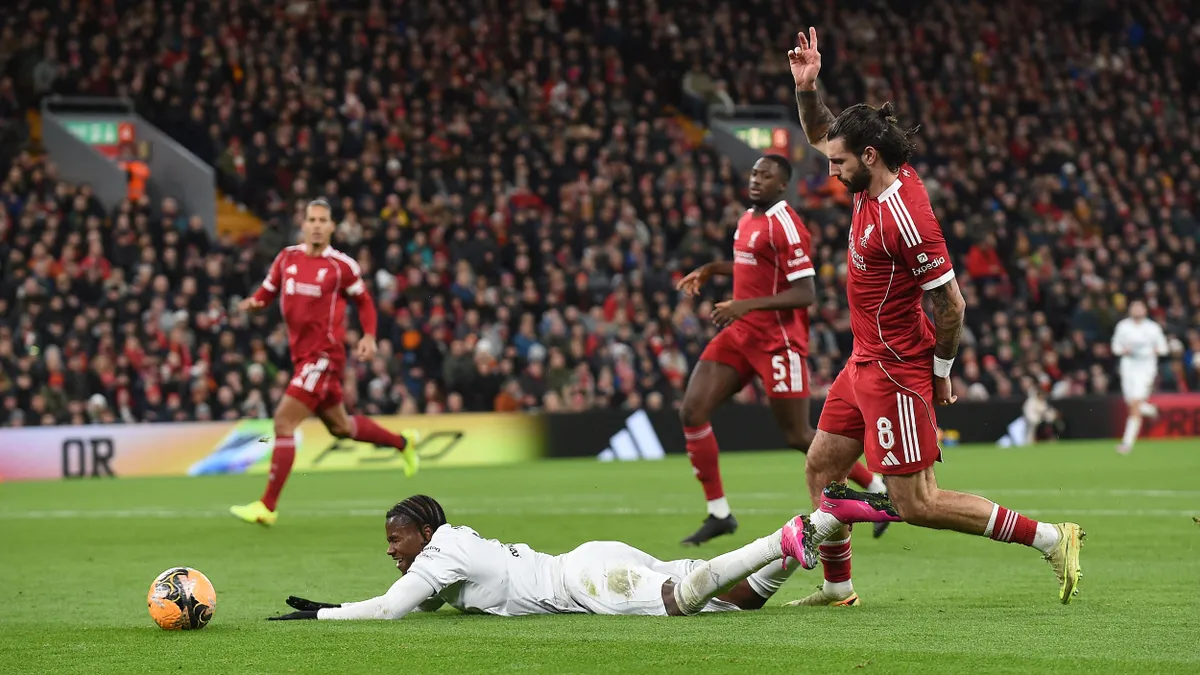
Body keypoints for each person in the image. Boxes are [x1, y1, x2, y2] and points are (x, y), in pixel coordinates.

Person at [777, 27, 1084, 606]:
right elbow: (820, 131)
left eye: (840, 163)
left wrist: (941, 371)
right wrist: (807, 86)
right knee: (821, 466)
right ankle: (838, 588)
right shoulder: (869, 177)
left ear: (869, 157)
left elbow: (952, 304)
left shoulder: (907, 218)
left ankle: (1050, 538)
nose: (831, 170)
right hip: (863, 360)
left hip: (897, 369)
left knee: (917, 502)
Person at [675, 155, 887, 547]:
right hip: (741, 336)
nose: (756, 180)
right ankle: (720, 513)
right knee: (691, 411)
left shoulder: (787, 224)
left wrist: (745, 305)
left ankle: (874, 484)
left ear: (782, 185)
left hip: (779, 342)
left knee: (796, 434)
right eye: (754, 173)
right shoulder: (746, 218)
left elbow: (806, 293)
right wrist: (711, 270)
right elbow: (751, 268)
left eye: (766, 175)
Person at [265, 495, 808, 621]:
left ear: (424, 533)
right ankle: (825, 522)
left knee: (682, 603)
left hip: (587, 584)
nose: (389, 548)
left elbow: (391, 610)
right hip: (593, 558)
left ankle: (781, 541)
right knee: (741, 599)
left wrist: (323, 612)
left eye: (396, 539)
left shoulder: (441, 552)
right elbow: (425, 602)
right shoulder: (450, 544)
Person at [230, 199, 418, 526]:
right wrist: (254, 304)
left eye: (323, 220)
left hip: (324, 356)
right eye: (311, 219)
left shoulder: (340, 266)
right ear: (303, 224)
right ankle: (403, 442)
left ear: (332, 226)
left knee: (283, 422)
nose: (317, 225)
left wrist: (369, 336)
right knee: (341, 427)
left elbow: (365, 302)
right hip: (301, 357)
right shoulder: (287, 258)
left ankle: (267, 506)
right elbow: (267, 292)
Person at [1110, 300, 1169, 454]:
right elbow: (1115, 347)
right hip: (1128, 368)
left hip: (1146, 369)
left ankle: (1126, 444)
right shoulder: (1123, 326)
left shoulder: (1153, 328)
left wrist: (1157, 350)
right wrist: (1123, 350)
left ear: (1145, 310)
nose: (1137, 310)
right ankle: (1151, 410)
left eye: (1140, 307)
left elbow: (1164, 348)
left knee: (1135, 404)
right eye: (1134, 307)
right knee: (1132, 404)